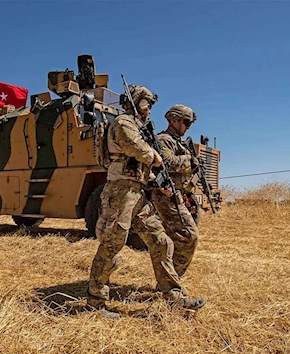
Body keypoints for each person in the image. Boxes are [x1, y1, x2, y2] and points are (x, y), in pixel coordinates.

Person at [86, 86, 206, 318]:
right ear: (135, 102)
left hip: (138, 194)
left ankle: (173, 297)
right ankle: (95, 302)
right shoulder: (123, 123)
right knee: (111, 246)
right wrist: (156, 157)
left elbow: (141, 167)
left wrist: (157, 182)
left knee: (161, 242)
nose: (150, 110)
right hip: (120, 193)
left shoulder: (138, 127)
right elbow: (136, 148)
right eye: (147, 104)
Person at [152, 104, 200, 278]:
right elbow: (166, 161)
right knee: (189, 237)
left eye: (189, 124)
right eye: (185, 122)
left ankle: (170, 282)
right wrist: (190, 160)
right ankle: (172, 281)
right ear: (173, 120)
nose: (187, 127)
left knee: (178, 240)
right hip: (168, 195)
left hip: (181, 195)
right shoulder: (164, 139)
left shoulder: (179, 143)